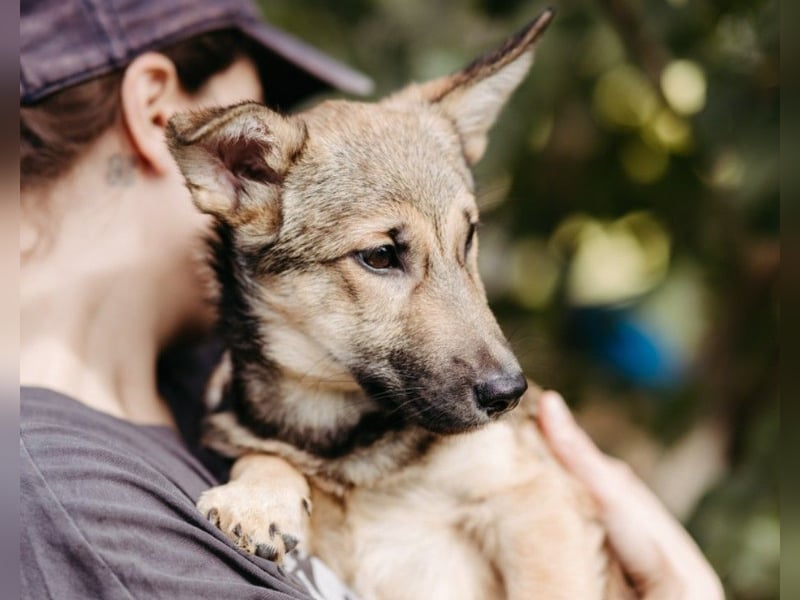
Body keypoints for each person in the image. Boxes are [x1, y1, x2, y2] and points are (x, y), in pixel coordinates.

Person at [19, 1, 723, 598]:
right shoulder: (72, 502)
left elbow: (536, 512)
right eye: (385, 255)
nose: (497, 362)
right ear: (225, 160)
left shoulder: (191, 393)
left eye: (465, 240)